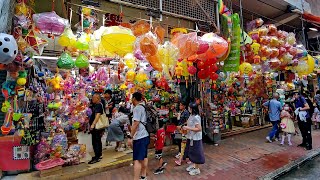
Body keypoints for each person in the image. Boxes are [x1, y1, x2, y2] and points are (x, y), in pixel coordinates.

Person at [127, 92, 149, 180]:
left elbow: (136, 123)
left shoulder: (137, 108)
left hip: (140, 136)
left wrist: (130, 136)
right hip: (146, 135)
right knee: (144, 156)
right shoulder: (144, 106)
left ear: (134, 98)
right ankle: (143, 176)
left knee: (137, 159)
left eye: (132, 98)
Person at [183, 102, 205, 176]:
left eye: (189, 107)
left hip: (196, 138)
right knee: (191, 152)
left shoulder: (196, 117)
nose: (188, 109)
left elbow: (199, 128)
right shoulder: (191, 115)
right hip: (191, 137)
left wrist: (187, 128)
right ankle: (194, 165)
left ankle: (197, 169)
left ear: (192, 109)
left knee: (196, 153)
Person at [88, 93, 105, 164]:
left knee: (95, 141)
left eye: (93, 98)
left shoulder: (98, 105)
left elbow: (97, 115)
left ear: (97, 99)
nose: (92, 99)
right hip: (96, 127)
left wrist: (93, 124)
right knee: (97, 140)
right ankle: (99, 155)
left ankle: (97, 157)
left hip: (96, 127)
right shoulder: (97, 105)